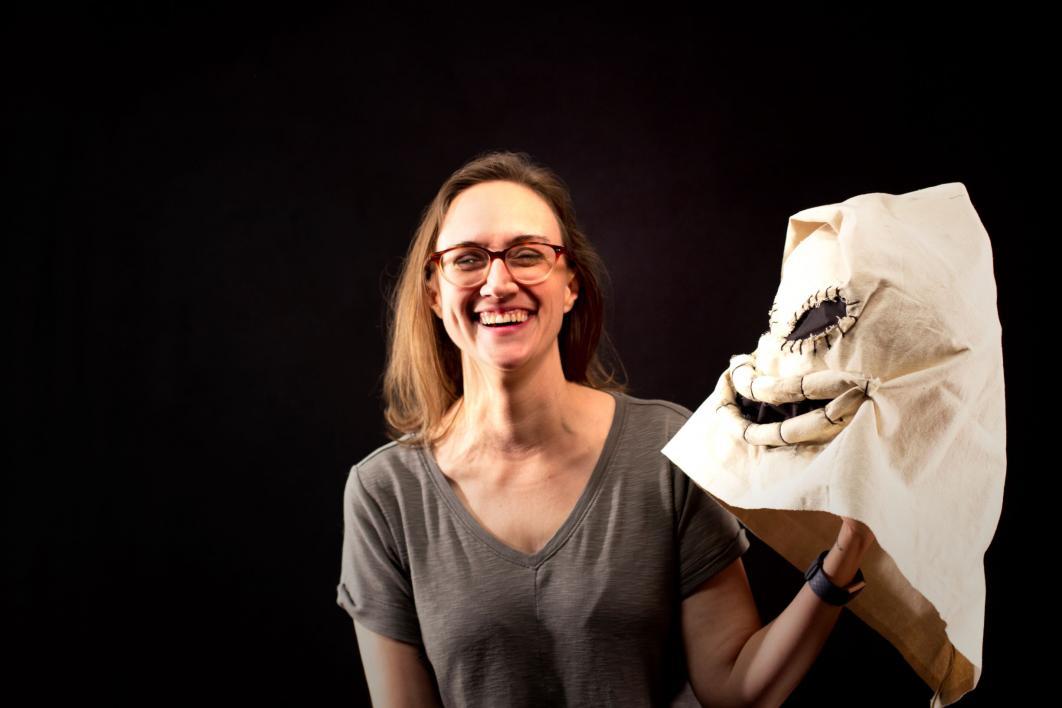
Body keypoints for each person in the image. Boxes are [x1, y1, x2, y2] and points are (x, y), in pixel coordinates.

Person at [336, 150, 876, 707]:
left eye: (527, 254)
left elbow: (735, 690)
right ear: (433, 292)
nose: (497, 283)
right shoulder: (384, 495)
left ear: (571, 285)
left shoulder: (667, 450)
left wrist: (843, 559)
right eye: (468, 259)